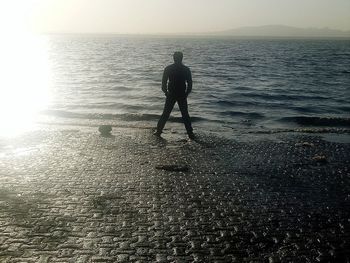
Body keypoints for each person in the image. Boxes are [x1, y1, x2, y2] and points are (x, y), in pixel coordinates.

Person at [154, 52, 195, 139]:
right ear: (182, 58)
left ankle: (158, 131)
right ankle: (190, 133)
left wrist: (166, 93)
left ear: (174, 58)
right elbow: (190, 84)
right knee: (185, 114)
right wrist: (186, 94)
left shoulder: (169, 68)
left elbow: (163, 84)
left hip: (172, 94)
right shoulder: (185, 69)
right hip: (180, 94)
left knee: (166, 113)